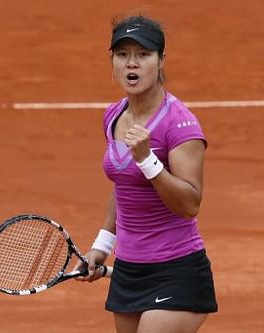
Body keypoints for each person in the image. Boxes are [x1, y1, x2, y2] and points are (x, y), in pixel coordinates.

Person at [74, 15, 218, 333]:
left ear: (161, 60)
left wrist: (148, 161)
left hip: (177, 269)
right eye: (122, 54)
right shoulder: (113, 116)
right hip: (128, 270)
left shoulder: (180, 125)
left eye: (143, 54)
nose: (131, 64)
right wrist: (102, 245)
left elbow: (189, 203)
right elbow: (123, 184)